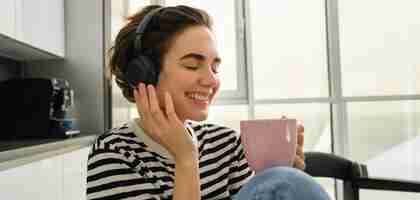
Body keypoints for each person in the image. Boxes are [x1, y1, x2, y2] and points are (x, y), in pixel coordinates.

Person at [87, 5, 330, 200]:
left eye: (215, 67)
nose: (211, 80)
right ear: (144, 73)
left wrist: (281, 180)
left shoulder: (226, 144)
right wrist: (185, 159)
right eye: (192, 65)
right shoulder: (114, 151)